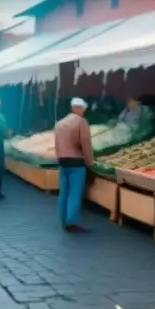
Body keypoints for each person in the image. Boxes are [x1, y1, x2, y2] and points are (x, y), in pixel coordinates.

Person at [54, 98, 94, 232]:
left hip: (62, 161)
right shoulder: (81, 122)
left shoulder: (59, 124)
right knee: (75, 193)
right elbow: (85, 142)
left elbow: (56, 144)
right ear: (80, 108)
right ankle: (70, 222)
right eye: (83, 109)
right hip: (76, 162)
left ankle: (62, 219)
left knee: (63, 192)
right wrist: (90, 162)